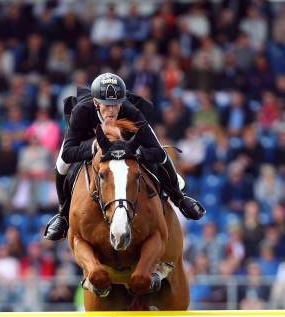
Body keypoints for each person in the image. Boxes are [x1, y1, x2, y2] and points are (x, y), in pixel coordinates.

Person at [44, 72, 205, 241]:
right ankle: (62, 215)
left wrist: (137, 152)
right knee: (61, 164)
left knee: (163, 156)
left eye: (116, 104)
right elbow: (69, 152)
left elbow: (157, 152)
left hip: (127, 143)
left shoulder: (130, 111)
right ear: (96, 103)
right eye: (107, 105)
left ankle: (180, 199)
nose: (111, 110)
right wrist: (93, 148)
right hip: (88, 141)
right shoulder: (82, 111)